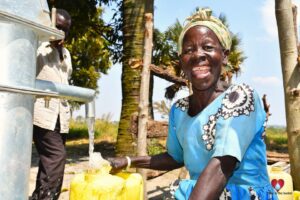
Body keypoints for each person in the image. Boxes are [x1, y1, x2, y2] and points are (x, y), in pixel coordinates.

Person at [109, 8, 278, 200]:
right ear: (182, 61)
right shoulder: (179, 110)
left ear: (224, 55)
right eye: (189, 50)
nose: (198, 55)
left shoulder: (240, 97)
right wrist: (129, 161)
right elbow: (175, 157)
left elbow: (223, 164)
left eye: (208, 47)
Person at [31, 8, 72, 200]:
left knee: (49, 162)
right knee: (56, 157)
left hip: (61, 116)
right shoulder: (38, 48)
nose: (60, 33)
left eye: (64, 30)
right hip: (42, 114)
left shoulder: (66, 55)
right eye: (57, 27)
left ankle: (38, 196)